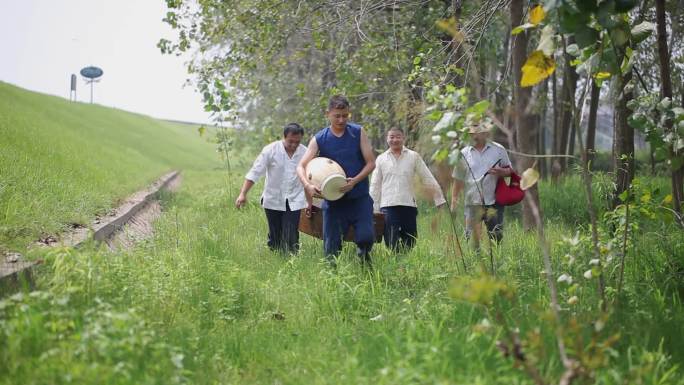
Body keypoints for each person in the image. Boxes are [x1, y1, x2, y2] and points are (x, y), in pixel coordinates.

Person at [297, 95, 376, 267]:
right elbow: (301, 166)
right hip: (333, 203)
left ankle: (365, 267)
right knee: (331, 248)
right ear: (328, 114)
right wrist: (308, 186)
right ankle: (332, 279)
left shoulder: (358, 132)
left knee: (365, 238)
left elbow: (371, 163)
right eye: (337, 116)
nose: (341, 120)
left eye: (345, 115)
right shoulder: (320, 138)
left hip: (359, 198)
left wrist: (354, 181)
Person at [370, 127, 446, 252]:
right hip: (388, 205)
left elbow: (427, 177)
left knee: (411, 238)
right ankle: (396, 262)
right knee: (391, 239)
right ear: (387, 139)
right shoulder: (381, 159)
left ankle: (404, 261)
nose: (395, 140)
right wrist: (373, 207)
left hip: (408, 204)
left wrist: (439, 198)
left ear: (403, 138)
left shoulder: (413, 156)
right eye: (391, 137)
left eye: (398, 136)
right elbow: (375, 185)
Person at [236, 123, 308, 254]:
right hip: (273, 199)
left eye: (297, 142)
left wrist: (310, 201)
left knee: (291, 234)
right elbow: (255, 172)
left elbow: (310, 175)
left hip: (295, 200)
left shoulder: (305, 152)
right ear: (284, 137)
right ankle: (275, 256)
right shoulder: (271, 150)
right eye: (290, 141)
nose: (293, 145)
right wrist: (243, 194)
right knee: (275, 235)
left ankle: (292, 260)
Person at [450, 122, 512, 250]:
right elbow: (458, 179)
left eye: (476, 133)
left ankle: (495, 265)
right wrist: (454, 202)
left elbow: (510, 170)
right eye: (471, 133)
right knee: (472, 240)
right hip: (472, 202)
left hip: (495, 202)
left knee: (496, 238)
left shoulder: (498, 149)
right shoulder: (464, 153)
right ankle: (474, 265)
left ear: (485, 134)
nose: (473, 136)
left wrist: (501, 172)